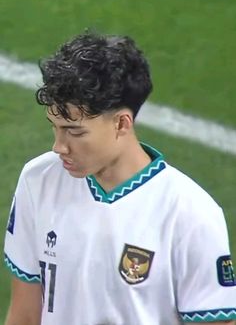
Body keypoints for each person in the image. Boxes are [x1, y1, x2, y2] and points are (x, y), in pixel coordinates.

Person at [3, 32, 236, 325]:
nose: (59, 146)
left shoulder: (190, 214)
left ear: (122, 123)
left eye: (74, 131)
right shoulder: (38, 180)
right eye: (55, 127)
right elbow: (24, 314)